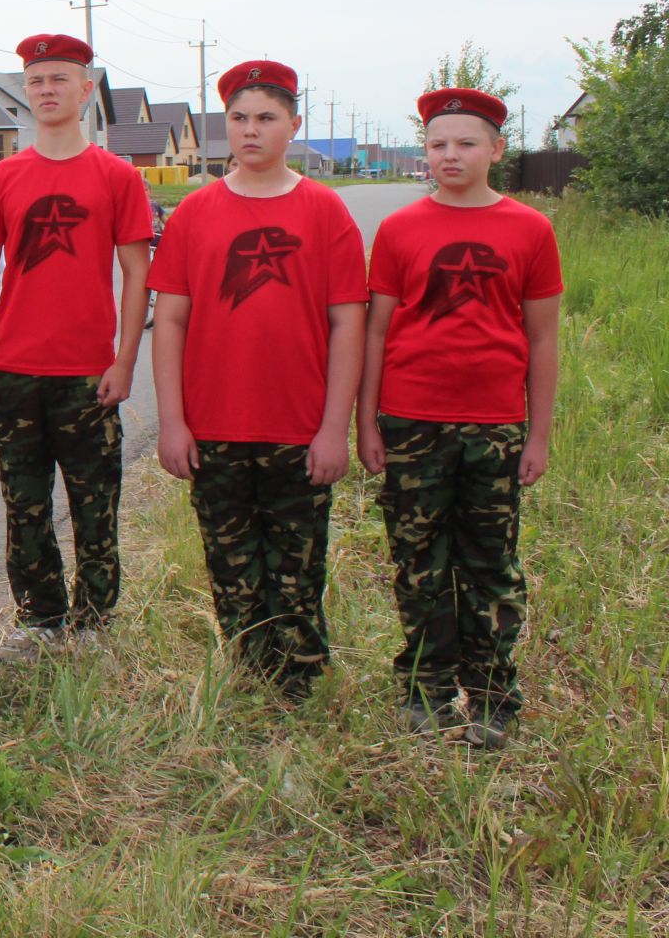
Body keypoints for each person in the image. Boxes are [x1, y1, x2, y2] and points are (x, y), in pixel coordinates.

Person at [148, 60, 367, 701]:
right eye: (239, 118)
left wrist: (335, 428)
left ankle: (300, 684)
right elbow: (171, 323)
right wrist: (172, 421)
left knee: (298, 568)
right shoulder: (195, 214)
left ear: (293, 126)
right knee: (232, 567)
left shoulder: (326, 212)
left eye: (266, 118)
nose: (251, 131)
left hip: (299, 429)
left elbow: (348, 326)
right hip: (214, 426)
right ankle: (249, 679)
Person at [357, 86, 561, 749]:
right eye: (439, 143)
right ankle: (426, 689)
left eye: (466, 143)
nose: (451, 155)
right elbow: (377, 332)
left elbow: (543, 339)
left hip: (495, 427)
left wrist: (539, 435)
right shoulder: (399, 230)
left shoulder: (530, 230)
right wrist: (367, 422)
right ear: (425, 152)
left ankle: (495, 697)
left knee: (490, 566)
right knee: (418, 562)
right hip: (411, 421)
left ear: (496, 150)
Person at [0, 38, 151, 657]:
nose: (46, 89)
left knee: (95, 506)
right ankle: (39, 619)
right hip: (16, 369)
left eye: (59, 79)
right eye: (36, 79)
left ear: (85, 89)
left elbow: (136, 272)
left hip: (88, 374)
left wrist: (125, 360)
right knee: (24, 508)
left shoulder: (117, 176)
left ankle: (95, 621)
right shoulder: (3, 180)